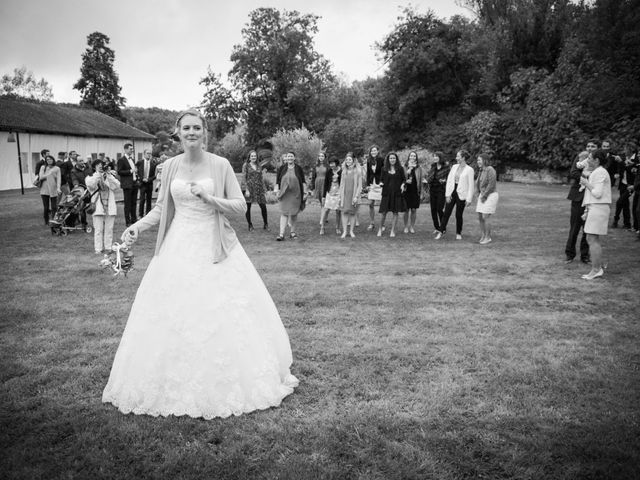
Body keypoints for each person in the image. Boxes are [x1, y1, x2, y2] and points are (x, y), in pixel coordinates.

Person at [103, 109, 298, 419]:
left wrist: (210, 199)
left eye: (197, 127)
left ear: (204, 133)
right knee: (172, 310)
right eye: (186, 128)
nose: (191, 132)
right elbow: (161, 208)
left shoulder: (220, 165)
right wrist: (137, 227)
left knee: (220, 308)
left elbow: (237, 204)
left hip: (214, 244)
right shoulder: (168, 167)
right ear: (177, 133)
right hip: (177, 244)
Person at [579, 149, 612, 280]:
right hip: (595, 208)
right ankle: (597, 266)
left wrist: (586, 183)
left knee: (592, 239)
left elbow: (597, 193)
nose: (588, 160)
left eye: (590, 158)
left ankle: (596, 269)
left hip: (599, 208)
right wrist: (587, 210)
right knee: (591, 239)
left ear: (597, 160)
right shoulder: (597, 172)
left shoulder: (600, 173)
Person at [565, 140, 596, 263]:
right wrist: (586, 179)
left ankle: (585, 256)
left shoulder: (599, 161)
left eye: (593, 146)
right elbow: (573, 172)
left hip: (593, 198)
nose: (590, 148)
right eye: (588, 145)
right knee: (574, 227)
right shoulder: (580, 157)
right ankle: (569, 254)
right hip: (578, 196)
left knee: (588, 229)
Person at [438, 149, 475, 240]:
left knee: (458, 214)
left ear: (463, 158)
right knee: (446, 213)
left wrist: (469, 199)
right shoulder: (454, 167)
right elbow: (449, 181)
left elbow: (471, 185)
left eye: (458, 156)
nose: (456, 157)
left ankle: (458, 233)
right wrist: (447, 194)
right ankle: (440, 231)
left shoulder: (470, 170)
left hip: (462, 194)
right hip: (452, 191)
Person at [86, 159, 120, 254]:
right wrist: (98, 174)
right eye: (98, 165)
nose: (101, 166)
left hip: (109, 205)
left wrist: (108, 175)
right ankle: (98, 249)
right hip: (98, 206)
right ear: (94, 167)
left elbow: (117, 186)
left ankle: (108, 247)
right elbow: (91, 185)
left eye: (102, 165)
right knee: (98, 229)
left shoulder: (108, 177)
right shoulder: (90, 177)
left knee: (109, 228)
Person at [275, 152, 306, 241]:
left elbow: (303, 181)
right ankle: (281, 234)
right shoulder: (281, 168)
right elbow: (277, 181)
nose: (290, 158)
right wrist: (277, 191)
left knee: (294, 214)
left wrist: (305, 192)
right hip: (284, 194)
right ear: (286, 158)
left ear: (294, 158)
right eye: (288, 156)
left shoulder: (299, 168)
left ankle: (292, 232)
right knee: (284, 213)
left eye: (291, 156)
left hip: (296, 194)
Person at [377, 152, 406, 237]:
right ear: (388, 159)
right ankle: (380, 229)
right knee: (383, 212)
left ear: (396, 159)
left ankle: (392, 231)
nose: (392, 160)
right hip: (386, 193)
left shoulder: (400, 169)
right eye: (391, 158)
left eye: (394, 158)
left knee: (395, 212)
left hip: (397, 193)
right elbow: (381, 180)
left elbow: (404, 179)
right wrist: (381, 183)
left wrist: (403, 184)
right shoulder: (384, 169)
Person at [242, 150, 268, 231]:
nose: (253, 157)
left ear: (256, 157)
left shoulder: (259, 165)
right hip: (249, 188)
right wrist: (246, 189)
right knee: (248, 207)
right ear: (249, 157)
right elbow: (243, 178)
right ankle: (250, 225)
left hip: (259, 188)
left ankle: (266, 224)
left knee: (263, 206)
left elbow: (261, 178)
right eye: (252, 156)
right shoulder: (246, 165)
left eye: (255, 156)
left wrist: (264, 189)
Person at [475, 154, 499, 244]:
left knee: (485, 216)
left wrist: (484, 196)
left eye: (479, 160)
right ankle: (483, 235)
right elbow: (478, 183)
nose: (478, 162)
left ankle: (488, 237)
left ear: (485, 160)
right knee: (480, 216)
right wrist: (478, 193)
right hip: (483, 195)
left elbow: (491, 184)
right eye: (477, 160)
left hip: (491, 195)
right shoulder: (481, 170)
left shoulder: (490, 169)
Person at [612, 144, 637, 230]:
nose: (624, 151)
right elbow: (621, 168)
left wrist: (621, 162)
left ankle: (616, 219)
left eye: (625, 149)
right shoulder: (624, 158)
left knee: (620, 201)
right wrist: (618, 173)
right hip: (623, 183)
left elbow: (631, 170)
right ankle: (627, 224)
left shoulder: (636, 159)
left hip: (631, 185)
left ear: (631, 150)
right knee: (625, 204)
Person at [339, 152, 362, 238]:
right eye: (347, 159)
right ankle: (345, 231)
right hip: (345, 195)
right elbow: (341, 184)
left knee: (352, 213)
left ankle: (351, 231)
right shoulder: (344, 171)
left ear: (353, 160)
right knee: (344, 213)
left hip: (353, 196)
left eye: (350, 159)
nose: (348, 161)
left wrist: (356, 196)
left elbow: (360, 185)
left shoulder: (358, 171)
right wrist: (340, 196)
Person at [426, 151, 449, 236]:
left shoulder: (446, 167)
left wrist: (444, 180)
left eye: (436, 156)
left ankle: (442, 228)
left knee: (439, 209)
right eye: (434, 156)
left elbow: (449, 179)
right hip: (433, 190)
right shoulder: (433, 166)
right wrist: (428, 180)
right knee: (433, 210)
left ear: (440, 157)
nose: (435, 158)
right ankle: (436, 227)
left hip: (441, 190)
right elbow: (430, 176)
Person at [117, 142, 139, 227]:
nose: (132, 150)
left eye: (132, 149)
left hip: (134, 183)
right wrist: (130, 171)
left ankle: (134, 219)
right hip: (127, 184)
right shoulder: (121, 160)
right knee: (127, 204)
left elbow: (134, 170)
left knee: (134, 202)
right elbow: (119, 171)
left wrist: (136, 175)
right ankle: (128, 221)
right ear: (125, 149)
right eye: (130, 149)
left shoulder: (132, 159)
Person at [402, 151, 423, 234]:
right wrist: (409, 170)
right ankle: (406, 226)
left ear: (416, 158)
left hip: (415, 191)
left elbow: (420, 180)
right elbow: (402, 178)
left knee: (414, 210)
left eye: (414, 156)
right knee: (406, 210)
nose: (413, 157)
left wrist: (421, 193)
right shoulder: (404, 167)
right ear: (409, 157)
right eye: (411, 156)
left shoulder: (419, 168)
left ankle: (412, 227)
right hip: (406, 190)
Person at [319, 157, 342, 235]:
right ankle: (322, 227)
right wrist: (323, 196)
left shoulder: (342, 171)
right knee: (326, 210)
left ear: (336, 163)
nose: (331, 165)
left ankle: (338, 228)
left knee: (338, 211)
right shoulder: (329, 172)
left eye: (333, 163)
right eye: (330, 163)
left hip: (339, 193)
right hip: (330, 193)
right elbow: (326, 184)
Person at [38, 155, 61, 225]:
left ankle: (54, 220)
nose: (49, 161)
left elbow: (59, 179)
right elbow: (41, 177)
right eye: (47, 159)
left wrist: (58, 188)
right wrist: (49, 173)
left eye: (50, 159)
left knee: (54, 207)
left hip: (53, 189)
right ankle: (46, 221)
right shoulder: (43, 167)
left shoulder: (57, 168)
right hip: (44, 190)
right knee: (46, 207)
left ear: (53, 160)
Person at [365, 145, 384, 231]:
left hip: (380, 184)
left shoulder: (382, 160)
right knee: (370, 204)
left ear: (378, 151)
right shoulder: (369, 161)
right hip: (372, 184)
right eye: (372, 151)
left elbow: (384, 171)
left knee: (381, 205)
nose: (373, 152)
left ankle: (382, 224)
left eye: (375, 150)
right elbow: (368, 173)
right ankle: (372, 223)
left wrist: (382, 182)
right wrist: (368, 184)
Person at [137, 149, 157, 219]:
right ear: (144, 154)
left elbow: (155, 176)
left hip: (149, 184)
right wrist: (142, 178)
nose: (149, 155)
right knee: (142, 199)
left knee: (149, 200)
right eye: (148, 153)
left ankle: (148, 215)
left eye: (150, 153)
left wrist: (148, 179)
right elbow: (137, 172)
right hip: (142, 184)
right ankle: (140, 215)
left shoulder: (153, 164)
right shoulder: (139, 162)